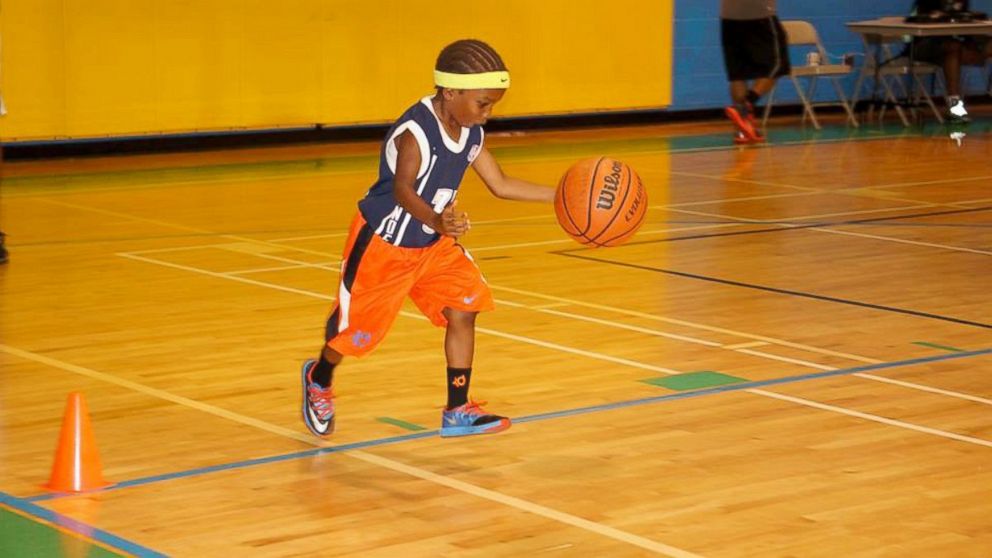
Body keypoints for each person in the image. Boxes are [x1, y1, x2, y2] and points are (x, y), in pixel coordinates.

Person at [300, 39, 555, 439]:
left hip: (434, 247)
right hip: (384, 244)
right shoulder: (415, 132)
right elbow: (404, 190)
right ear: (451, 92)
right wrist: (438, 219)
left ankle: (457, 409)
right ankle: (319, 376)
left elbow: (501, 184)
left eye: (492, 106)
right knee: (353, 337)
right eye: (483, 104)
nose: (487, 115)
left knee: (464, 308)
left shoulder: (470, 131)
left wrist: (562, 199)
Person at [909, 0, 992, 122]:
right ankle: (955, 106)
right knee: (953, 47)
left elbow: (962, 23)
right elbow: (918, 20)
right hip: (925, 45)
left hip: (956, 43)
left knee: (959, 46)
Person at [720, 0, 790, 144]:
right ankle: (745, 106)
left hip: (728, 17)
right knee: (778, 65)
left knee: (737, 74)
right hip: (760, 14)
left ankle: (741, 131)